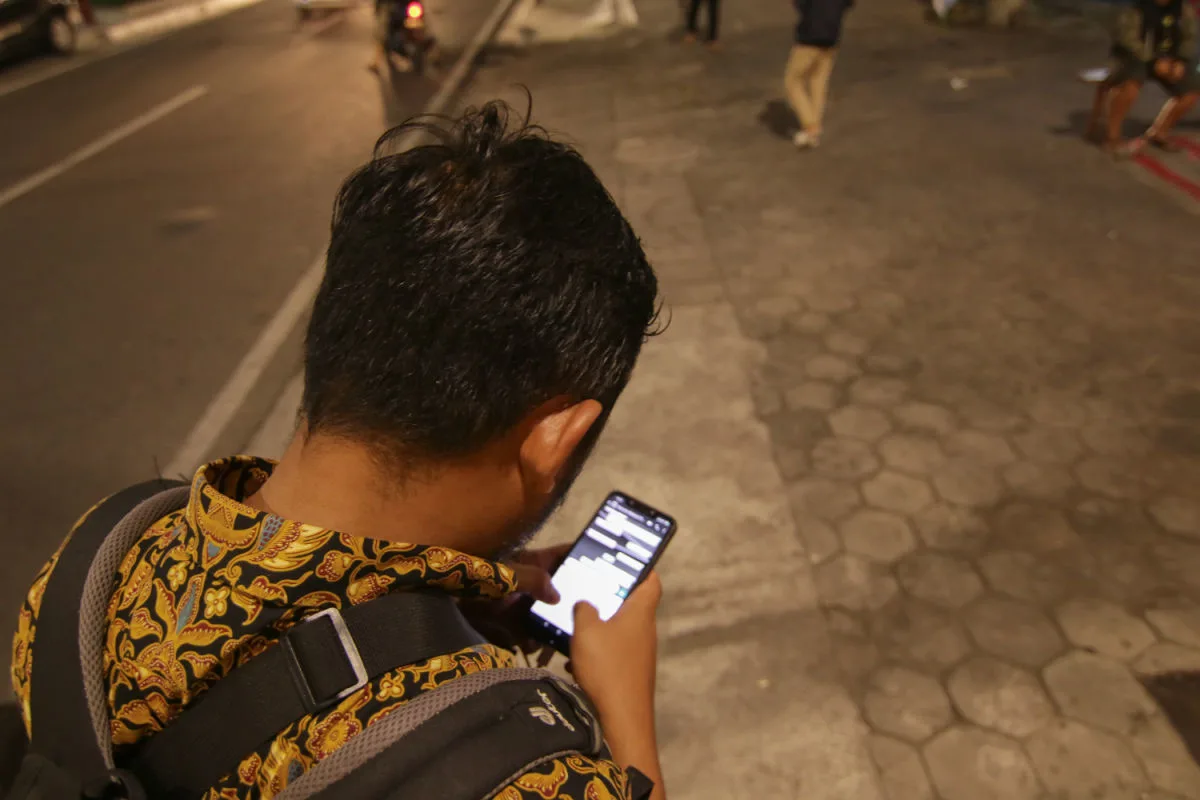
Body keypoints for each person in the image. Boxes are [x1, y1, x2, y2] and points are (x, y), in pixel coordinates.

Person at [11, 102, 666, 800]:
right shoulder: (529, 779)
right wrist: (625, 705)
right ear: (553, 441)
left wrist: (435, 609)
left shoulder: (94, 569)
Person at [1096, 0, 1199, 155]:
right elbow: (1127, 39)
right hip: (1134, 56)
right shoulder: (1136, 7)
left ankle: (1160, 131)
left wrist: (1180, 60)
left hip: (1169, 58)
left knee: (1192, 88)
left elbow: (1189, 37)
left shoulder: (1183, 9)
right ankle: (1112, 137)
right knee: (1131, 84)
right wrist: (1154, 61)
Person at [785, 0, 854, 149]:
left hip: (810, 35)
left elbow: (801, 4)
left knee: (792, 81)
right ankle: (814, 127)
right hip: (832, 34)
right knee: (818, 81)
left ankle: (810, 125)